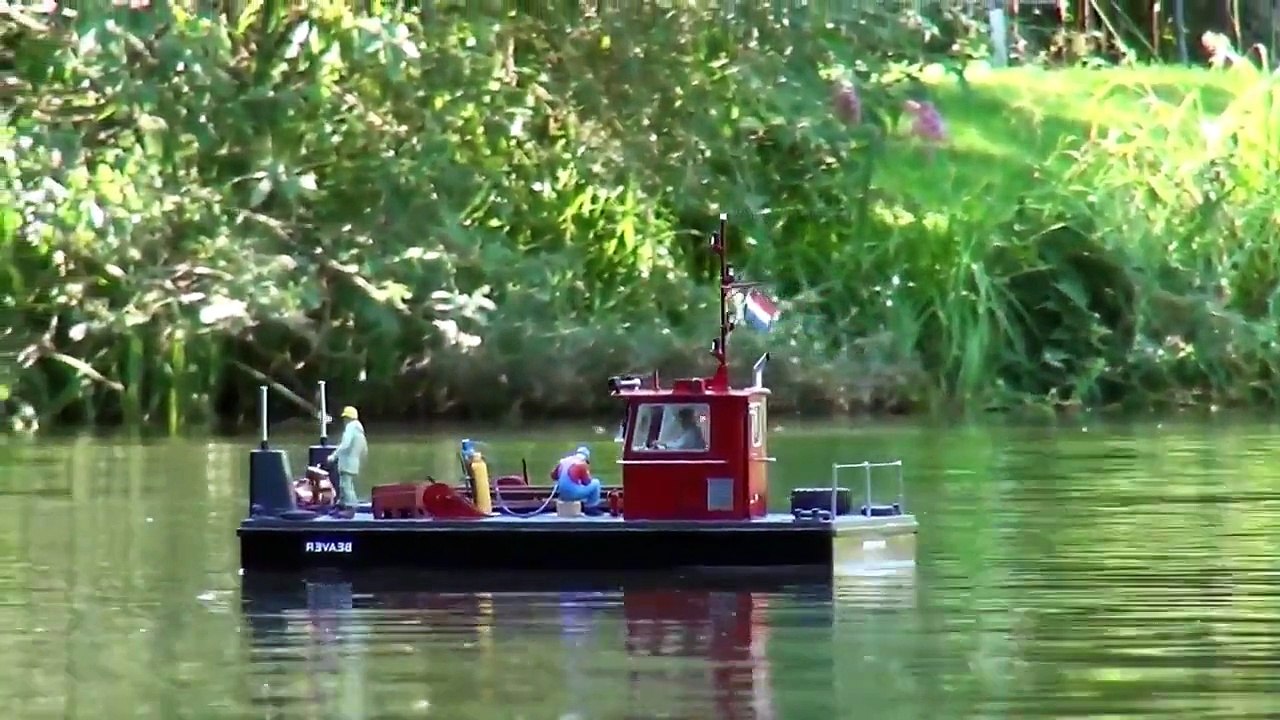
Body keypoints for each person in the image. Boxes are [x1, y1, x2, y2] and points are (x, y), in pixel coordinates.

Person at [327, 405, 367, 508]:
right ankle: (344, 504)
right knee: (347, 485)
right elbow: (364, 450)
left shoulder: (350, 427)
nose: (344, 420)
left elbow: (345, 444)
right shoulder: (360, 430)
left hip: (346, 462)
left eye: (345, 417)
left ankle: (352, 507)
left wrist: (333, 456)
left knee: (346, 487)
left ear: (348, 418)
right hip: (354, 462)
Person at [550, 445, 602, 513]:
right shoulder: (582, 463)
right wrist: (587, 472)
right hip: (572, 495)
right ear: (586, 458)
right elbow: (587, 482)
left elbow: (553, 476)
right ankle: (591, 508)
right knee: (596, 483)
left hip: (561, 494)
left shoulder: (563, 461)